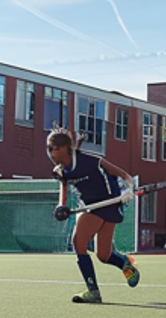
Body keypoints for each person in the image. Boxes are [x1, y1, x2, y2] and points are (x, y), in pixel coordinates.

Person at [48, 128, 139, 303]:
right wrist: (61, 205)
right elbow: (64, 187)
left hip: (110, 202)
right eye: (49, 148)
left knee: (78, 242)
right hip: (90, 205)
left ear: (66, 148)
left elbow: (124, 175)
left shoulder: (90, 161)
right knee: (103, 255)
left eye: (54, 148)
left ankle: (93, 292)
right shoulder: (60, 170)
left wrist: (129, 189)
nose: (51, 153)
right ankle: (125, 263)